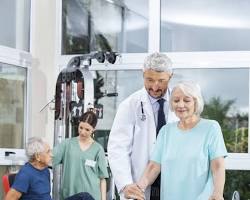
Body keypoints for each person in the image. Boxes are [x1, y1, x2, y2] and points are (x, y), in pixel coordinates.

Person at [137, 81, 227, 200]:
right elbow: (154, 166)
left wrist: (218, 193)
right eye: (176, 100)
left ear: (196, 102)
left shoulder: (211, 128)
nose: (180, 105)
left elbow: (217, 165)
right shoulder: (166, 131)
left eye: (186, 100)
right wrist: (138, 188)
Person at [107, 52, 178, 200]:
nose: (154, 86)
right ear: (143, 74)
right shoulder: (129, 105)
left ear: (170, 77)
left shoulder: (180, 106)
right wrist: (125, 184)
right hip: (138, 185)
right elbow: (118, 148)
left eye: (161, 81)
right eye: (149, 79)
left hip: (173, 184)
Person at [53, 111, 109, 200]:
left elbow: (102, 179)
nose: (82, 132)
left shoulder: (98, 149)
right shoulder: (67, 144)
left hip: (92, 196)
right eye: (81, 127)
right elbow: (49, 159)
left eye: (87, 130)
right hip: (70, 195)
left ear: (93, 129)